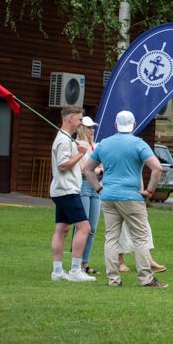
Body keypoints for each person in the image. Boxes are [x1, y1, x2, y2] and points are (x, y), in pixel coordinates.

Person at [82, 110, 166, 288]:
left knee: (111, 237)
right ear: (134, 125)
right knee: (141, 238)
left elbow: (88, 169)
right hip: (131, 196)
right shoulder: (138, 144)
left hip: (108, 195)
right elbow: (157, 168)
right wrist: (149, 191)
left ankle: (113, 279)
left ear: (115, 126)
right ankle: (146, 279)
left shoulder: (104, 144)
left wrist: (98, 188)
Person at [48, 105, 94, 282]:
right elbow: (63, 165)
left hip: (62, 190)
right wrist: (80, 154)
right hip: (67, 190)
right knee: (84, 228)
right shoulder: (63, 140)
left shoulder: (67, 139)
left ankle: (57, 271)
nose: (81, 123)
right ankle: (75, 270)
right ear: (70, 119)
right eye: (80, 119)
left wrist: (77, 150)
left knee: (62, 229)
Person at [71, 115, 100, 275]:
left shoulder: (96, 146)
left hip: (96, 185)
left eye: (93, 127)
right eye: (88, 127)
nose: (91, 130)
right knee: (82, 226)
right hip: (83, 185)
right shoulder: (78, 145)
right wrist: (97, 169)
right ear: (82, 128)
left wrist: (96, 170)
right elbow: (83, 169)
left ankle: (85, 262)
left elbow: (100, 166)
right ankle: (76, 262)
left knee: (92, 227)